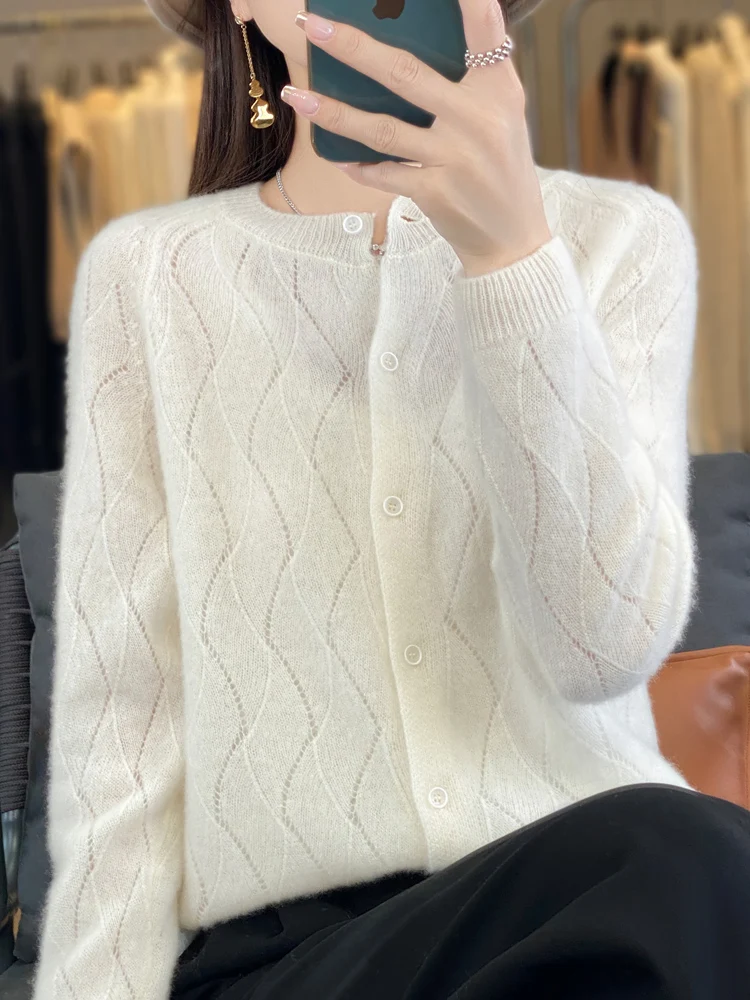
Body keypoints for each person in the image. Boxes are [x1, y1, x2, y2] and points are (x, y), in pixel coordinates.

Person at [30, 1, 750, 998]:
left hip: (591, 911)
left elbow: (600, 650)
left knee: (687, 864)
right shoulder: (152, 277)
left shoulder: (620, 240)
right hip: (292, 961)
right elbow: (126, 722)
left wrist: (511, 259)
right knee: (691, 862)